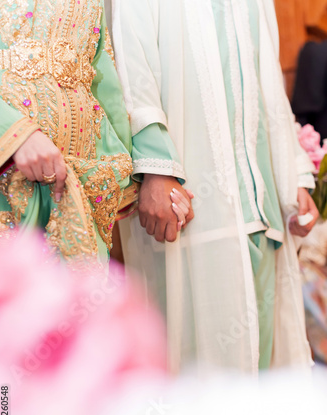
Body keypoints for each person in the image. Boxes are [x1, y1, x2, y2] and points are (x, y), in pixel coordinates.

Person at [111, 0, 320, 373]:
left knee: (265, 371)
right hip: (193, 205)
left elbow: (267, 80)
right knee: (200, 369)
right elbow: (129, 64)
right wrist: (156, 168)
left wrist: (296, 175)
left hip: (264, 211)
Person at [0, 0, 132, 266]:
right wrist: (15, 135)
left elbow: (102, 82)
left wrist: (133, 175)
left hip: (78, 184)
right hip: (3, 179)